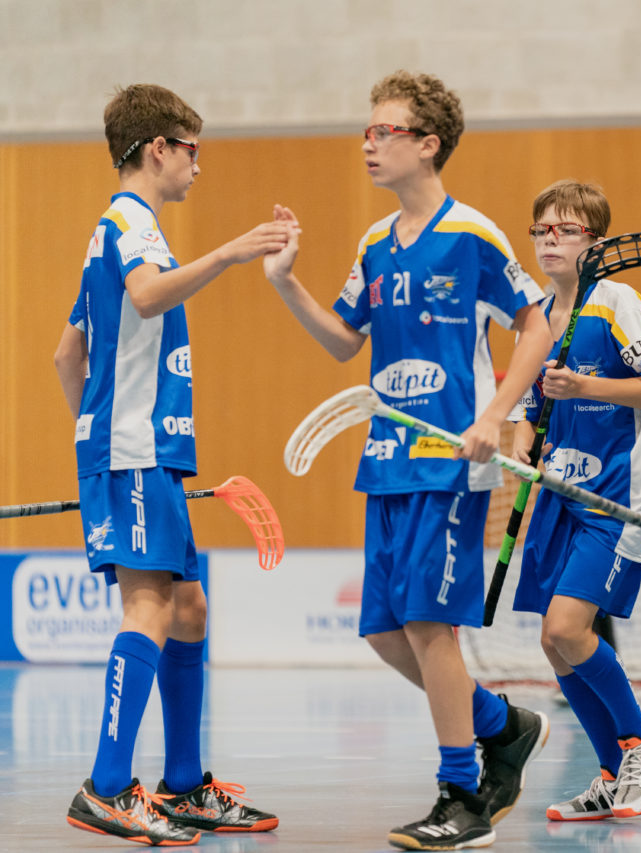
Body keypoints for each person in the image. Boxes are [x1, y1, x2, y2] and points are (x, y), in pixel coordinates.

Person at [263, 71, 553, 850]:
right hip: (385, 462)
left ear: (427, 144)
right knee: (387, 631)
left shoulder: (475, 237)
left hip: (450, 461)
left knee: (430, 628)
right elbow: (344, 341)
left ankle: (462, 793)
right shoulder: (373, 244)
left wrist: (496, 416)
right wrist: (286, 283)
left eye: (384, 131)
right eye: (367, 130)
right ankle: (506, 725)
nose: (368, 142)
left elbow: (537, 327)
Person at [54, 84, 291, 846]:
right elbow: (149, 298)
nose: (198, 166)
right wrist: (228, 251)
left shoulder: (121, 229)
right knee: (149, 610)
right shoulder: (129, 223)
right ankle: (108, 786)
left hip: (137, 450)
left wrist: (94, 434)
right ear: (158, 147)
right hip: (136, 450)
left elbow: (67, 352)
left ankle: (184, 786)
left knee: (188, 609)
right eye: (193, 150)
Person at [508, 180, 641, 821]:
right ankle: (611, 770)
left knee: (566, 628)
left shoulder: (617, 302)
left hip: (614, 497)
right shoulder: (535, 314)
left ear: (596, 243)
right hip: (555, 494)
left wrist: (585, 384)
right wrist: (525, 437)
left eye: (566, 230)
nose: (550, 240)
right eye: (541, 230)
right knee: (554, 645)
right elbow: (532, 404)